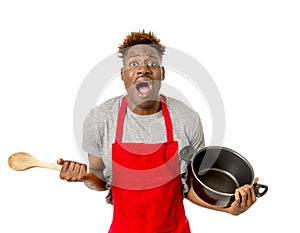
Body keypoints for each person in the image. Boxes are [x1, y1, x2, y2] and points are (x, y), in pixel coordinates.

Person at [57, 30, 259, 233]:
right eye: (134, 63)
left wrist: (228, 209)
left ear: (162, 73)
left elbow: (191, 188)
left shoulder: (187, 119)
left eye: (152, 63)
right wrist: (84, 177)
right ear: (123, 75)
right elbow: (100, 180)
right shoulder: (99, 119)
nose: (143, 69)